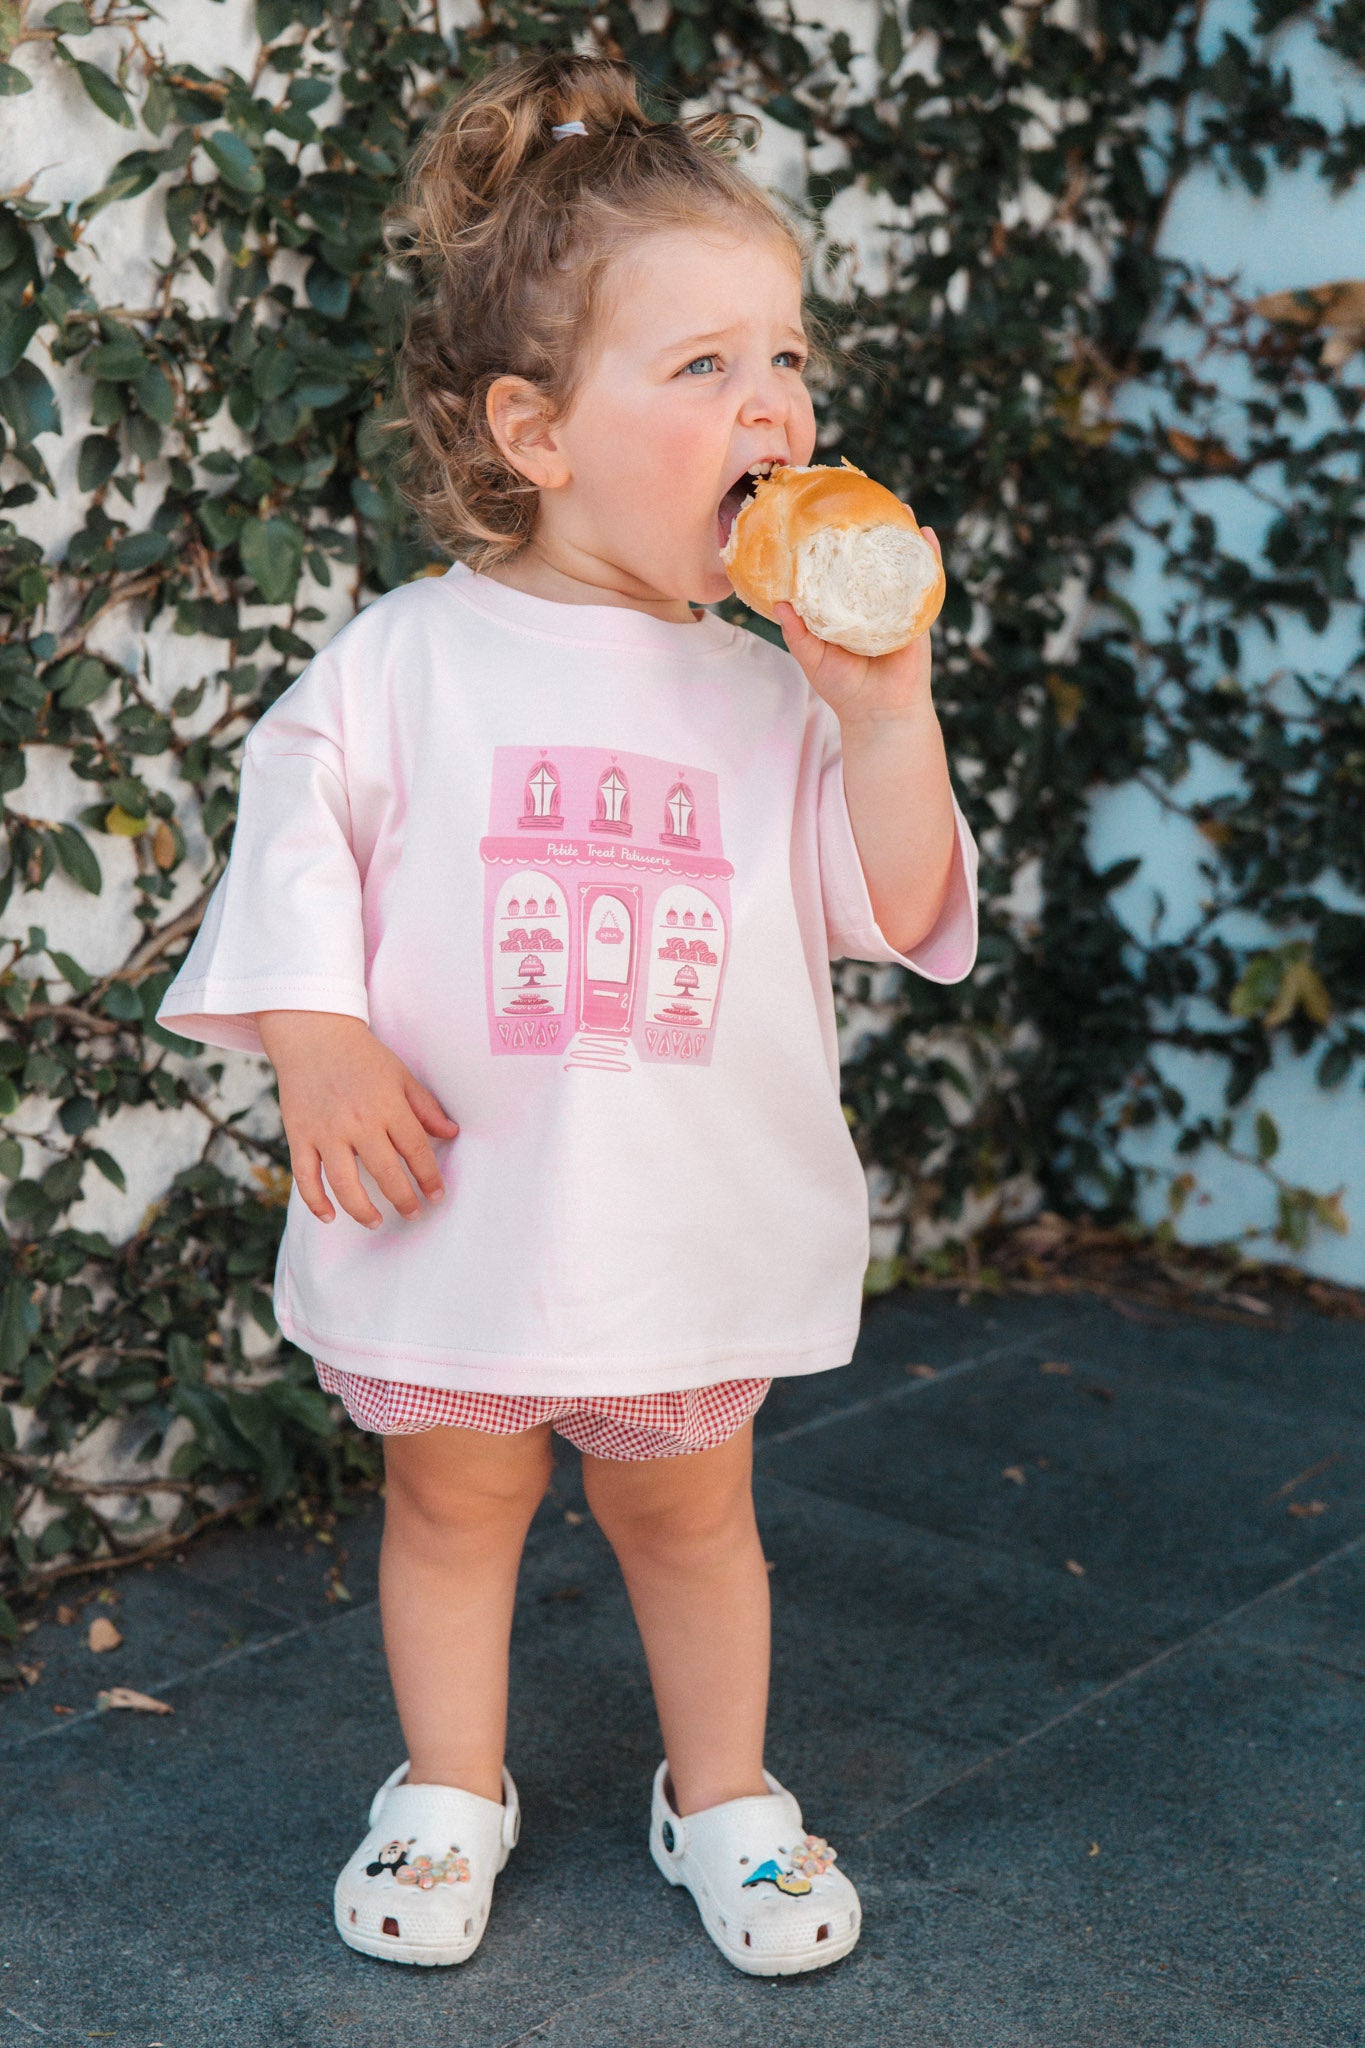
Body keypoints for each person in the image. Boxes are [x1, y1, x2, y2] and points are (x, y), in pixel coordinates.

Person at [155, 48, 979, 1979]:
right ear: (532, 427)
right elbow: (299, 830)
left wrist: (887, 711)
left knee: (693, 1522)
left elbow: (906, 900)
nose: (769, 402)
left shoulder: (775, 689)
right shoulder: (410, 659)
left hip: (674, 1217)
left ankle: (727, 1795)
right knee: (453, 1505)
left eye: (784, 359)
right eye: (700, 368)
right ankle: (450, 1783)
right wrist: (320, 1035)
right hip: (465, 1208)